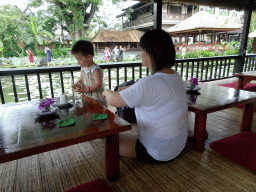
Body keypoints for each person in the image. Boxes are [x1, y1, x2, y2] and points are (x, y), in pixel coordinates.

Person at [102, 29, 188, 164]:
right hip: (177, 146)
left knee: (109, 142)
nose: (141, 53)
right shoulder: (175, 76)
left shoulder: (149, 83)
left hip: (157, 152)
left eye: (142, 50)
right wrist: (130, 88)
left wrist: (105, 90)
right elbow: (150, 89)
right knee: (120, 136)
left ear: (151, 55)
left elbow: (114, 101)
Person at [71, 40, 107, 107]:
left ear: (89, 57)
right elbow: (81, 79)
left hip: (97, 98)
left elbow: (98, 84)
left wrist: (86, 89)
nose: (78, 62)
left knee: (99, 114)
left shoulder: (95, 69)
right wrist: (77, 84)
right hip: (88, 97)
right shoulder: (83, 68)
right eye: (77, 60)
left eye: (80, 60)